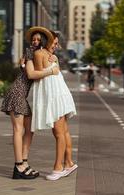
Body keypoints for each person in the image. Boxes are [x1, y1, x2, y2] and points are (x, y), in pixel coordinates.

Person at [1, 27, 59, 179]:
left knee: (29, 129)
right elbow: (32, 74)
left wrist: (54, 60)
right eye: (33, 39)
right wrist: (51, 70)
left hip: (22, 96)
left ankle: (24, 163)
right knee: (18, 130)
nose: (35, 41)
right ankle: (18, 166)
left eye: (38, 39)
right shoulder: (30, 53)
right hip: (17, 94)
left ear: (43, 41)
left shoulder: (40, 54)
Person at [31, 30, 78, 181]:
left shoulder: (42, 55)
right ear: (48, 40)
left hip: (55, 97)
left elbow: (37, 75)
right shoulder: (46, 55)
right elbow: (47, 72)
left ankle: (58, 168)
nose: (56, 46)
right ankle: (69, 163)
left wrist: (51, 69)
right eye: (55, 43)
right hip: (59, 95)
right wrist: (53, 69)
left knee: (59, 133)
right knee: (63, 131)